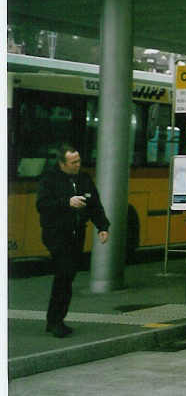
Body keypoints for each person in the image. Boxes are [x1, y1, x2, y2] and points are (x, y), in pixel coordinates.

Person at [36, 143, 110, 338]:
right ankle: (55, 321)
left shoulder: (84, 179)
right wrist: (67, 202)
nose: (77, 165)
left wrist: (103, 227)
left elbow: (95, 205)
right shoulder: (49, 180)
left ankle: (56, 319)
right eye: (73, 162)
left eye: (78, 161)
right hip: (56, 234)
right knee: (64, 273)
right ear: (62, 163)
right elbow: (42, 205)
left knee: (68, 277)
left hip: (76, 234)